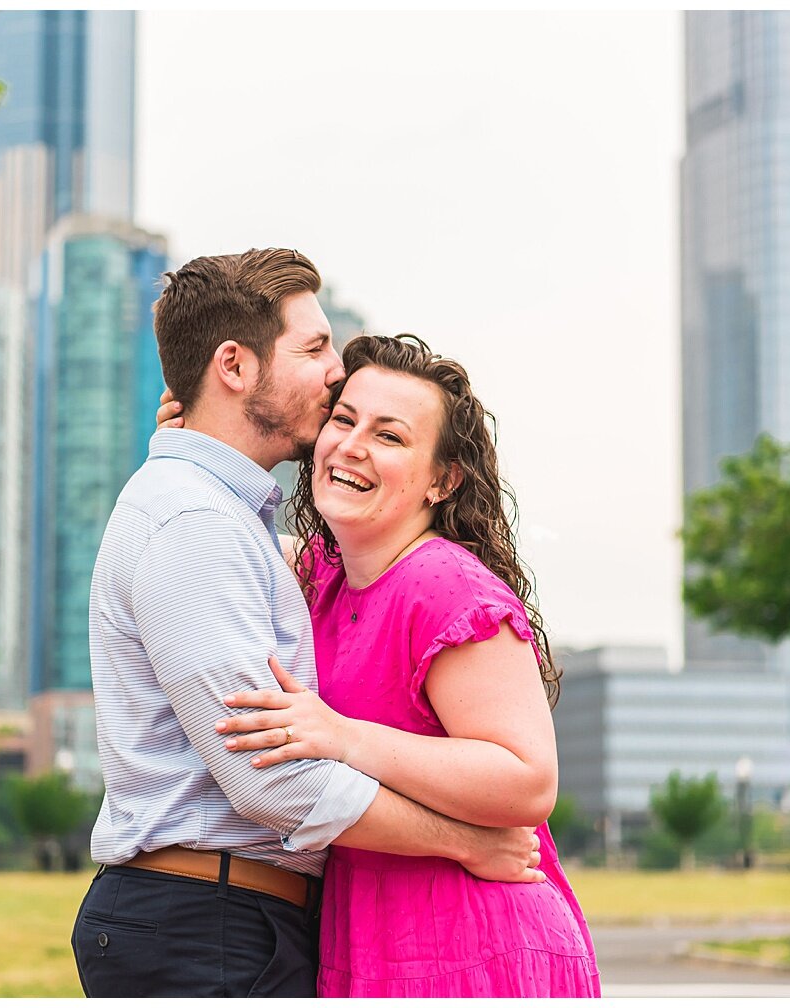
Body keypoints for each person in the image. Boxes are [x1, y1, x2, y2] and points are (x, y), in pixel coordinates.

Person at [73, 249, 545, 999]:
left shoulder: (229, 521)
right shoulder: (195, 521)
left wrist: (194, 435)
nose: (334, 372)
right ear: (233, 365)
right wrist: (463, 841)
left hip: (232, 921)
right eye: (315, 347)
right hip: (208, 926)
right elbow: (276, 783)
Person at [159, 334, 601, 996]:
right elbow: (221, 534)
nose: (353, 445)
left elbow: (527, 780)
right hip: (372, 943)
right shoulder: (326, 579)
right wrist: (196, 442)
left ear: (441, 480)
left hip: (479, 948)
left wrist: (343, 736)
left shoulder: (446, 585)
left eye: (390, 437)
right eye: (344, 420)